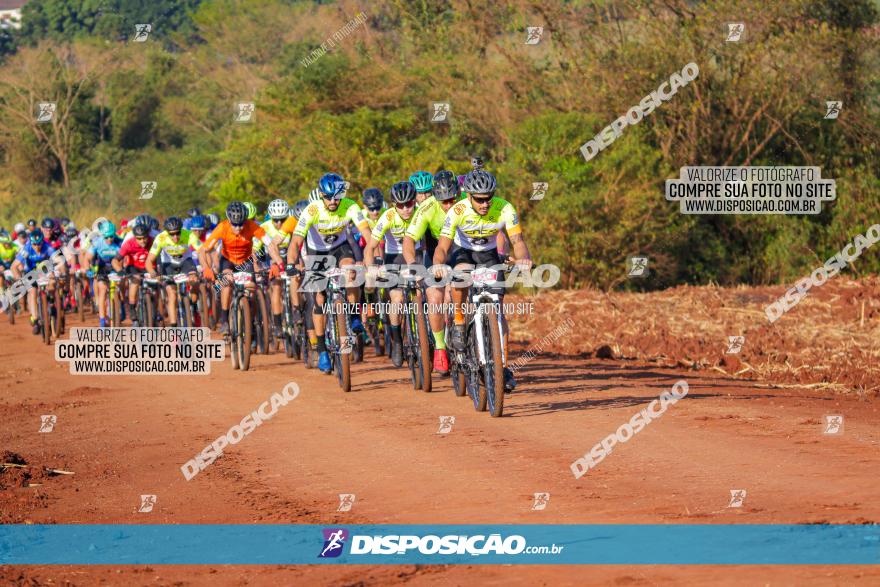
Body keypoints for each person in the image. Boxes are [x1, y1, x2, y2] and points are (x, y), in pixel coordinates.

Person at [432, 169, 533, 391]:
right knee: (461, 274)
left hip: (488, 254)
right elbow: (442, 245)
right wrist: (438, 264)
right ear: (468, 196)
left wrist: (524, 259)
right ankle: (458, 319)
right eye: (479, 199)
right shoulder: (457, 210)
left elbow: (517, 240)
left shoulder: (504, 207)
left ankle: (503, 366)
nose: (485, 204)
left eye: (488, 198)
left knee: (497, 310)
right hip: (463, 251)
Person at [278, 173, 372, 374]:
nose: (332, 201)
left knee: (350, 271)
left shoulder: (350, 205)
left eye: (336, 197)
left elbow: (367, 234)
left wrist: (370, 257)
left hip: (339, 247)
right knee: (319, 299)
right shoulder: (311, 210)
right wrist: (290, 263)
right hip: (316, 252)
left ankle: (355, 317)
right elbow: (295, 242)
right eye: (328, 197)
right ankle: (321, 350)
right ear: (321, 195)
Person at [402, 170, 462, 374]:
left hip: (462, 252)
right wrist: (412, 264)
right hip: (435, 253)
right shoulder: (427, 208)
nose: (448, 204)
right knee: (436, 299)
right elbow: (409, 240)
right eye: (443, 200)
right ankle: (439, 347)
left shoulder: (468, 204)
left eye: (452, 198)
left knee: (456, 295)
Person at [198, 201, 283, 334]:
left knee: (251, 289)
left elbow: (270, 244)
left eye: (241, 224)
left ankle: (252, 324)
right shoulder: (222, 227)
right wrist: (206, 268)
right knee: (226, 283)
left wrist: (276, 263)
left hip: (246, 261)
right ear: (229, 220)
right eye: (235, 225)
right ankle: (225, 320)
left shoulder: (252, 226)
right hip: (228, 260)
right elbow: (203, 250)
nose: (238, 228)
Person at [364, 181, 420, 367]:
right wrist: (372, 269)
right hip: (394, 257)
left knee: (424, 295)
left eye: (409, 204)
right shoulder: (387, 217)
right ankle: (397, 340)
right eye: (400, 205)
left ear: (414, 201)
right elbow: (370, 247)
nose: (405, 209)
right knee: (396, 300)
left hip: (417, 255)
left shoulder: (421, 212)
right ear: (394, 204)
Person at [144, 217, 199, 327]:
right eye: (172, 234)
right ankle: (174, 328)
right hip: (168, 265)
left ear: (181, 230)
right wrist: (153, 272)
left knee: (194, 279)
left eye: (177, 233)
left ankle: (192, 307)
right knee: (172, 295)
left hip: (185, 261)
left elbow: (201, 250)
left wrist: (206, 266)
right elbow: (149, 260)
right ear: (167, 233)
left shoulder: (188, 234)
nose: (175, 237)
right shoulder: (160, 238)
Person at [12, 230, 58, 334]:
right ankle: (36, 319)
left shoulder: (48, 247)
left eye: (39, 243)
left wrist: (59, 271)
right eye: (34, 244)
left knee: (52, 282)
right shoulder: (26, 249)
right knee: (32, 292)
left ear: (43, 241)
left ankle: (51, 303)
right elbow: (14, 266)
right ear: (30, 242)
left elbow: (59, 260)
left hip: (45, 270)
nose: (37, 246)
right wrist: (18, 278)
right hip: (30, 273)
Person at [262, 199, 292, 336]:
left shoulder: (293, 223)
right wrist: (256, 266)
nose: (279, 223)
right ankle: (278, 324)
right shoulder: (264, 228)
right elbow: (255, 251)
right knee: (277, 286)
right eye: (276, 220)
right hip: (272, 259)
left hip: (290, 257)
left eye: (282, 219)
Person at [84, 222, 123, 329]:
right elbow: (87, 258)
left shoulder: (119, 241)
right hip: (102, 267)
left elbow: (127, 257)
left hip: (116, 267)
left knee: (123, 284)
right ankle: (102, 319)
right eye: (107, 237)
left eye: (112, 236)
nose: (110, 239)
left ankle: (122, 304)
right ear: (102, 235)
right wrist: (88, 269)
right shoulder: (97, 242)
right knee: (103, 289)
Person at [116, 223, 154, 326]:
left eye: (144, 238)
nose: (143, 241)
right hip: (133, 267)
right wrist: (119, 270)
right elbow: (115, 260)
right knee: (136, 281)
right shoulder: (129, 244)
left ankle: (155, 310)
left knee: (157, 285)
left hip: (148, 267)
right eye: (139, 238)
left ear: (148, 235)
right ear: (135, 238)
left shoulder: (153, 241)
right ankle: (132, 308)